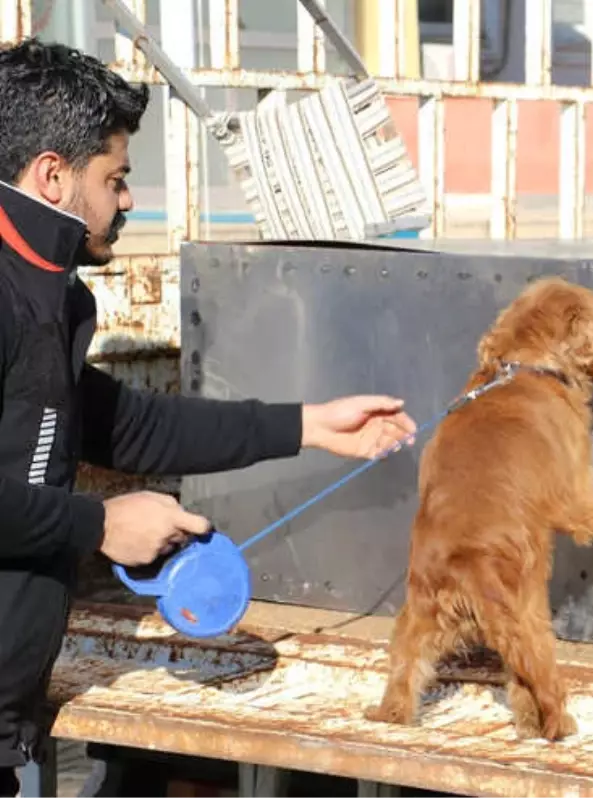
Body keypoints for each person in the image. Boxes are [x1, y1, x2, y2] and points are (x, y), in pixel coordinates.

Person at [0, 38, 418, 796]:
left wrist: (308, 424)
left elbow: (132, 426)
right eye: (116, 179)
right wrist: (98, 526)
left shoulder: (52, 302)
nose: (127, 201)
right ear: (53, 176)